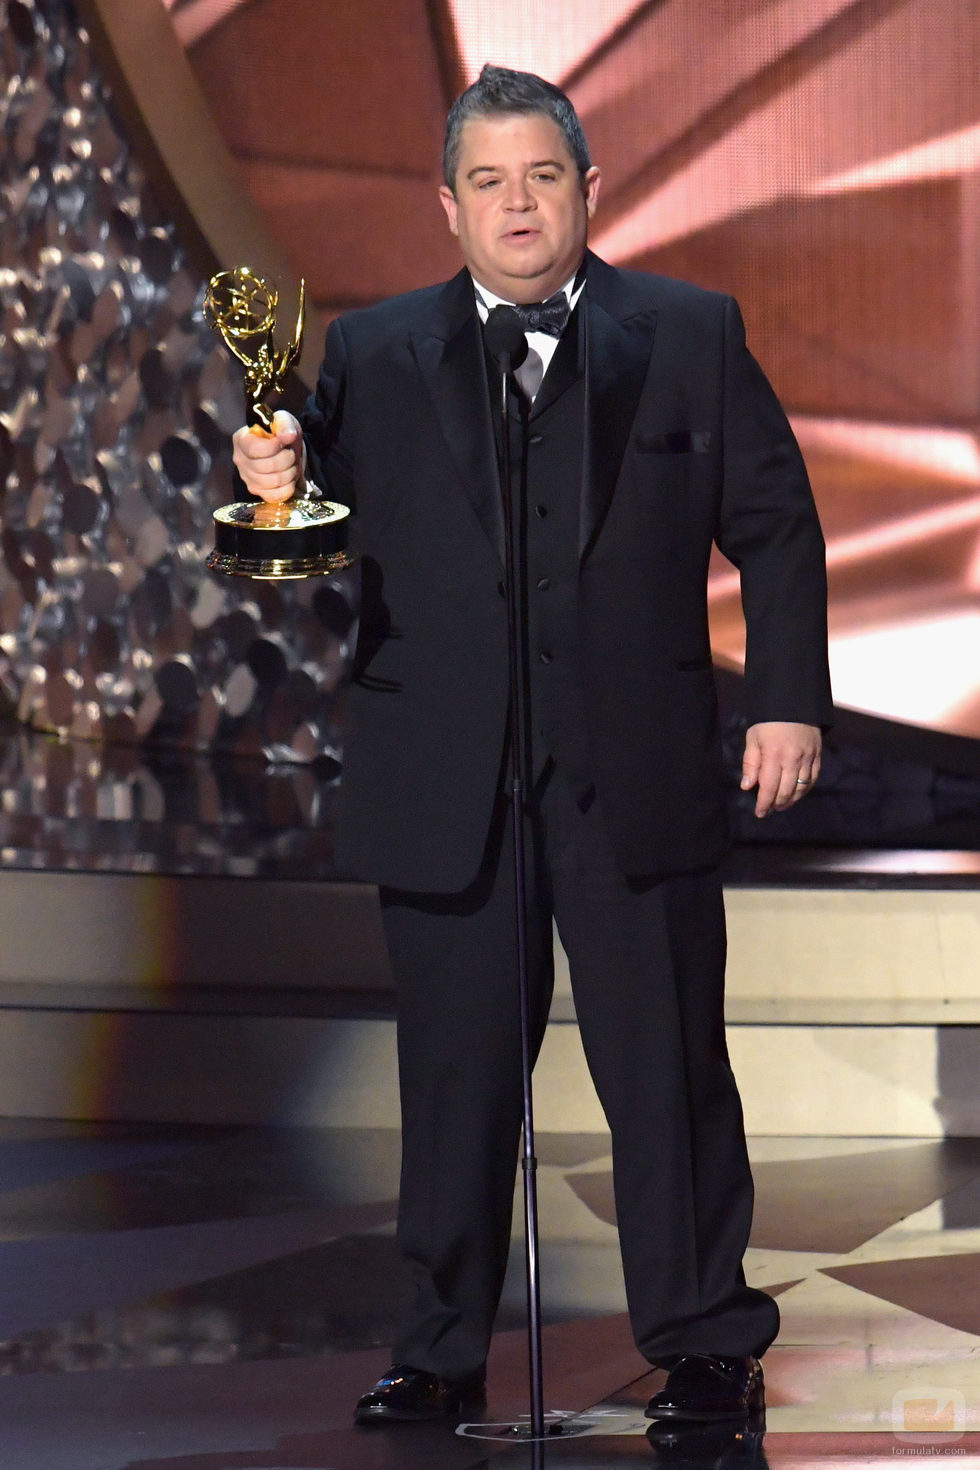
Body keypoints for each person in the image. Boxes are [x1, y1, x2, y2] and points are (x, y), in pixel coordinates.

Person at [232, 64, 833, 1427]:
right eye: (489, 182)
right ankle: (437, 1346)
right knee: (453, 1078)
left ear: (588, 191)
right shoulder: (374, 351)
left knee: (669, 1066)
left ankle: (703, 1339)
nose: (518, 205)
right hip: (449, 777)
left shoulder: (685, 331)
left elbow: (778, 525)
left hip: (639, 766)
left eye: (542, 176)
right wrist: (270, 477)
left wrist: (789, 697)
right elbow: (307, 530)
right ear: (449, 205)